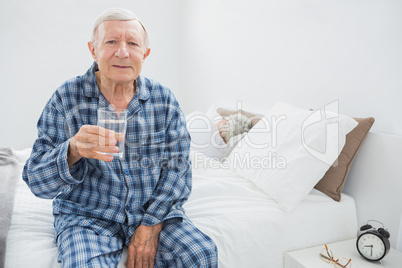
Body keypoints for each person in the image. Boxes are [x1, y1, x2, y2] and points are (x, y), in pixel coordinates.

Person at [22, 8, 217, 268]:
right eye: (111, 42)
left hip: (153, 213)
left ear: (145, 53)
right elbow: (36, 181)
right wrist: (72, 150)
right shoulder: (66, 97)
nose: (122, 52)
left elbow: (178, 170)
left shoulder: (164, 99)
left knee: (200, 254)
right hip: (87, 217)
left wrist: (150, 225)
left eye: (132, 43)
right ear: (93, 49)